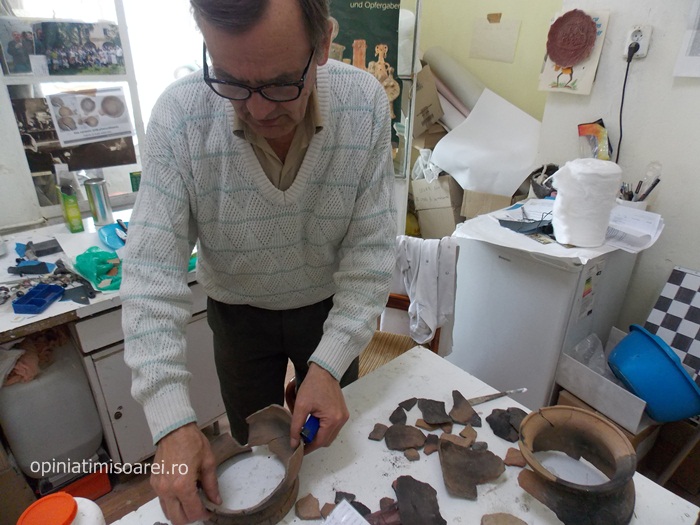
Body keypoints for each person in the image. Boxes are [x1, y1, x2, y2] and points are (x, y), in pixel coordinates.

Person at [120, 0, 396, 523]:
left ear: (323, 44)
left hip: (328, 308)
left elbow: (370, 252)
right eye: (230, 81)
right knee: (251, 457)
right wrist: (171, 421)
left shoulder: (364, 103)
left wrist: (329, 363)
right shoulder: (180, 115)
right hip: (237, 316)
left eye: (280, 84)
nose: (259, 110)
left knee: (330, 444)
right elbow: (150, 276)